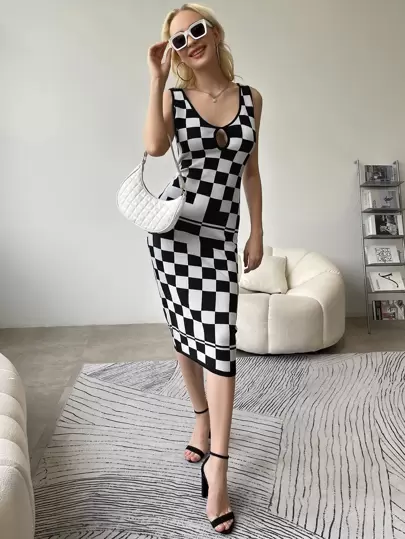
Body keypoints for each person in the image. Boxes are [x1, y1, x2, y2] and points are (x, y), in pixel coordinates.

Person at [144, 3, 263, 534]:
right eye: (178, 39)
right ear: (174, 52)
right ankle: (200, 418)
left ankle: (219, 466)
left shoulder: (252, 99)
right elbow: (154, 147)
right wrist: (156, 79)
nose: (190, 41)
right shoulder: (174, 97)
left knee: (219, 343)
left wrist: (258, 231)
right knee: (185, 332)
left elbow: (250, 171)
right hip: (174, 235)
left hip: (220, 239)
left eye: (196, 30)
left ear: (214, 33)